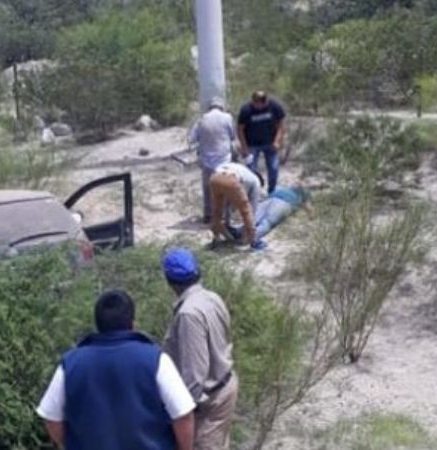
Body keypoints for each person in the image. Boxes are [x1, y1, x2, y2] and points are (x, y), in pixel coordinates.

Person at [36, 290, 196, 450]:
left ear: (98, 324)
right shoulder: (156, 360)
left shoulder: (71, 363)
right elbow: (183, 415)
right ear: (132, 324)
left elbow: (51, 417)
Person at [162, 249, 238, 450]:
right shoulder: (211, 297)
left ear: (169, 281)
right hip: (225, 385)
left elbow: (195, 374)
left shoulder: (188, 315)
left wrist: (183, 414)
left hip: (210, 400)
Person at [188, 97, 237, 223]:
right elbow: (233, 136)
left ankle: (208, 215)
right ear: (222, 107)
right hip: (223, 159)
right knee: (225, 186)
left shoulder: (201, 119)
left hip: (206, 159)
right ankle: (224, 215)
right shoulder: (227, 118)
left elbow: (192, 139)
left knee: (207, 188)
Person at [208, 161, 267, 251]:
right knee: (246, 210)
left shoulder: (245, 173)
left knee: (217, 211)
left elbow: (229, 203)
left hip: (214, 177)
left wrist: (228, 221)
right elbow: (252, 208)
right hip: (230, 178)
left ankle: (216, 239)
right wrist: (249, 226)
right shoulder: (256, 182)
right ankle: (254, 241)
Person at [237, 91, 286, 194]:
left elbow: (281, 126)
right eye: (257, 103)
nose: (259, 105)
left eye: (262, 103)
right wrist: (244, 147)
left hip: (270, 143)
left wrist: (277, 141)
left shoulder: (274, 106)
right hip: (252, 144)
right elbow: (240, 129)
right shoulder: (246, 110)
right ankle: (252, 192)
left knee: (273, 168)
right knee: (250, 169)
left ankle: (272, 191)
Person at [228, 185, 311, 242]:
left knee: (254, 218)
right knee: (267, 222)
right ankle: (251, 238)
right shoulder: (302, 193)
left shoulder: (283, 188)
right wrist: (311, 217)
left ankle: (237, 232)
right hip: (283, 203)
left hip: (270, 199)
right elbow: (309, 207)